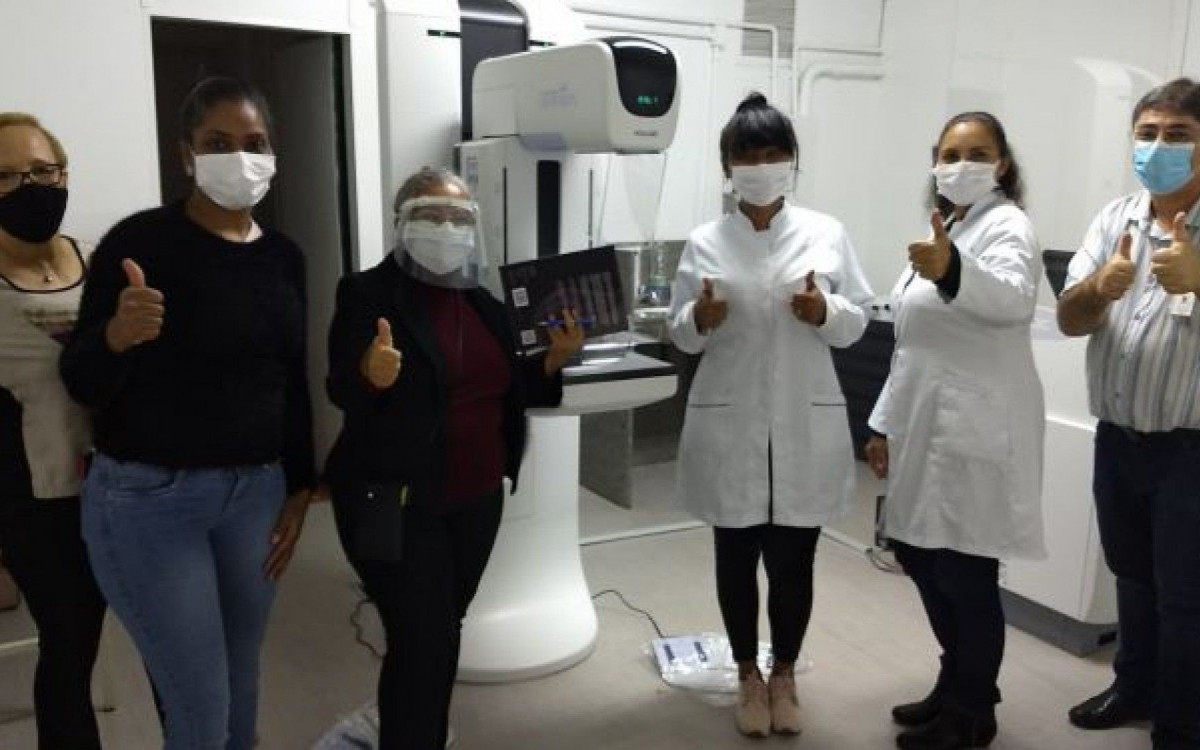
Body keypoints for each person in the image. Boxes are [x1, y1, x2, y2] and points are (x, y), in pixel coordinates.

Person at [59, 77, 316, 750]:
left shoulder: (284, 256)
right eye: (218, 144)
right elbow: (81, 379)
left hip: (255, 496)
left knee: (242, 687)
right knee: (200, 707)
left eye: (255, 143)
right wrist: (116, 335)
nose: (240, 159)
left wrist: (300, 486)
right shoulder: (139, 244)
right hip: (151, 501)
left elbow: (289, 377)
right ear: (186, 155)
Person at [323, 166, 584, 749]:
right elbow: (340, 388)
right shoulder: (366, 294)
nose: (445, 228)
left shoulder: (485, 304)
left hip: (476, 499)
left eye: (458, 218)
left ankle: (422, 732)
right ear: (401, 222)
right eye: (429, 215)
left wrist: (552, 360)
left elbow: (508, 389)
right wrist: (370, 375)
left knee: (441, 630)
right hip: (396, 499)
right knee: (422, 639)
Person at [668, 92, 874, 739]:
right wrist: (699, 317)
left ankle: (783, 673)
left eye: (772, 153)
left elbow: (858, 319)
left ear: (791, 160)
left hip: (801, 423)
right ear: (727, 167)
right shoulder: (705, 241)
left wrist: (825, 312)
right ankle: (746, 675)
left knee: (793, 561)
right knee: (735, 557)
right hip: (730, 424)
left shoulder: (826, 233)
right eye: (747, 156)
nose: (760, 166)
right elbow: (680, 333)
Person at [865, 112, 1045, 750]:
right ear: (934, 162)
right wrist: (883, 424)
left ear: (1002, 164)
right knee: (918, 554)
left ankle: (972, 711)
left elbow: (1013, 298)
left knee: (966, 571)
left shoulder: (1008, 226)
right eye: (949, 153)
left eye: (977, 152)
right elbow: (912, 344)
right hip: (925, 421)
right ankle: (956, 680)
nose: (961, 164)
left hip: (974, 427)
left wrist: (952, 270)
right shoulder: (950, 226)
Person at [1058, 77, 1200, 750]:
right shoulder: (1116, 218)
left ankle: (1181, 721)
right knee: (1133, 577)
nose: (1158, 147)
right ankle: (1133, 687)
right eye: (1147, 134)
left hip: (1191, 451)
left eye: (1178, 135)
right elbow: (1070, 318)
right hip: (1119, 439)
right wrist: (1098, 287)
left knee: (1186, 594)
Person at [0, 112, 107, 749]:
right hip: (36, 501)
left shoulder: (100, 261)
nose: (30, 187)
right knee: (69, 644)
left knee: (155, 639)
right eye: (7, 176)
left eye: (43, 171)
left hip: (123, 485)